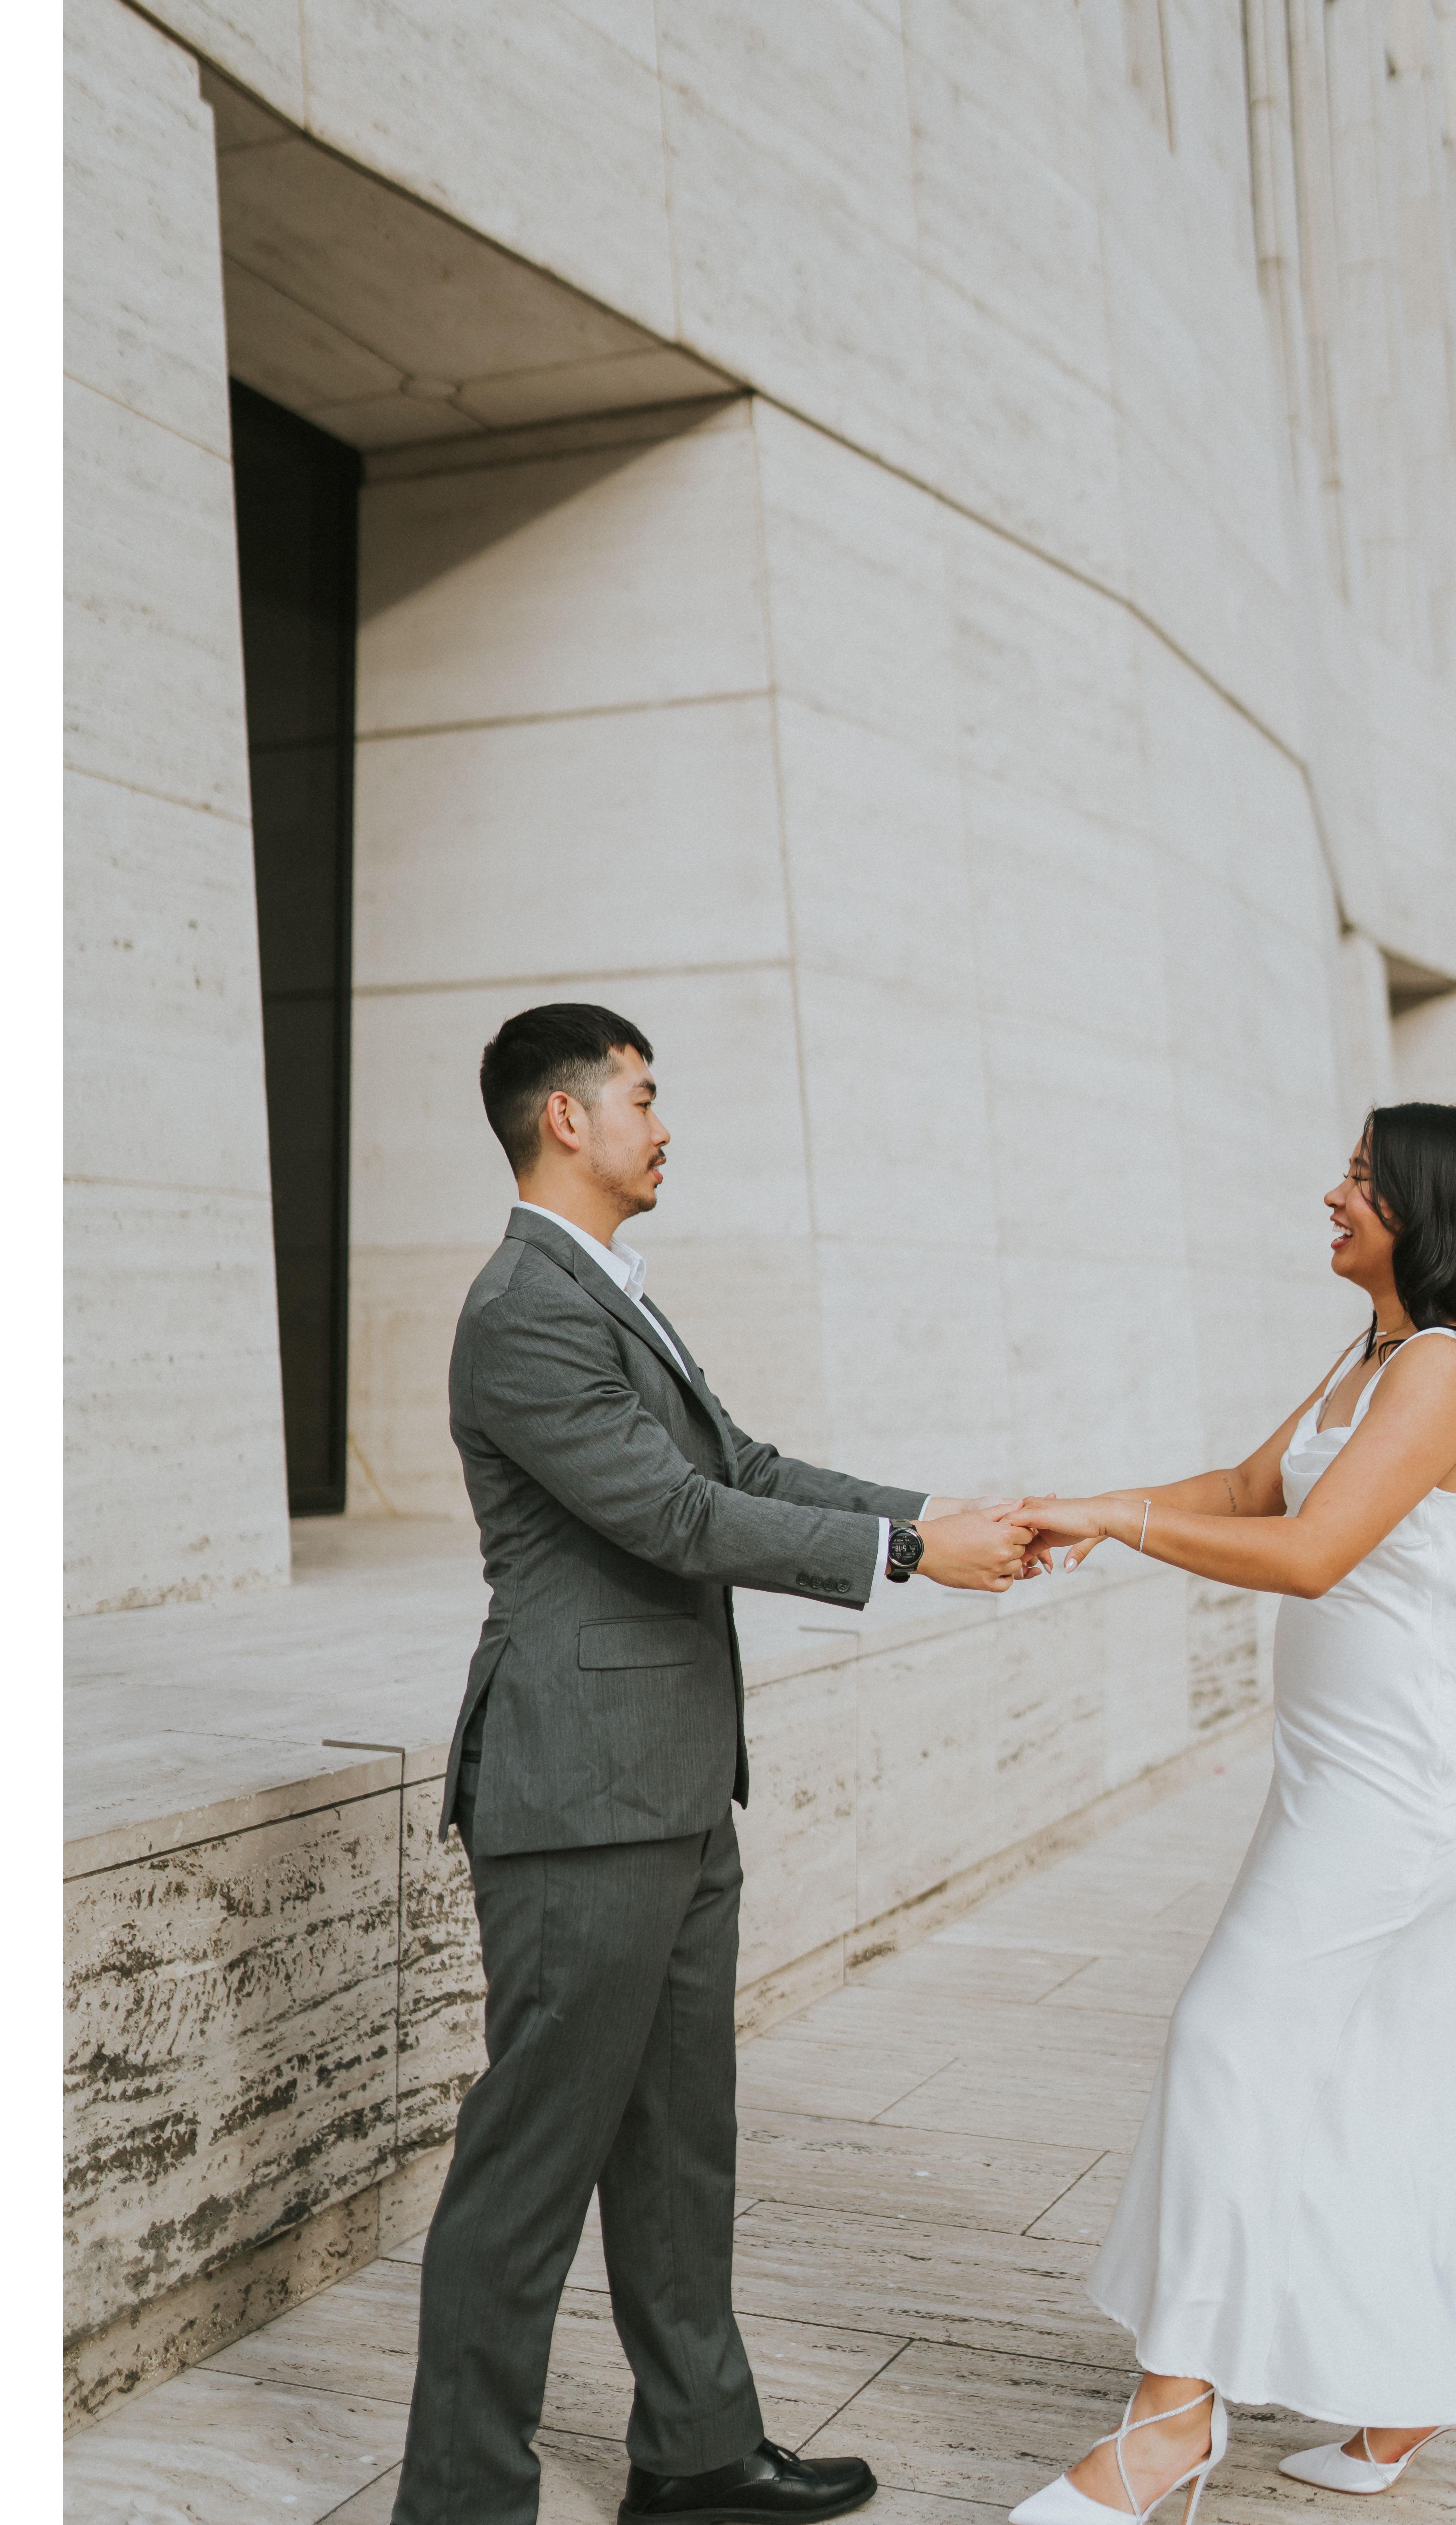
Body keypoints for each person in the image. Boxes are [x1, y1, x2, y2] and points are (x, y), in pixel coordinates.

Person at [394, 1003, 1037, 2525]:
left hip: (674, 1783)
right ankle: (459, 2500)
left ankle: (693, 2450)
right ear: (566, 1117)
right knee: (531, 2162)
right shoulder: (521, 1309)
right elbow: (669, 1516)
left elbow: (735, 1469)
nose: (663, 1123)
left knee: (682, 2143)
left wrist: (936, 1515)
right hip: (579, 1791)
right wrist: (900, 1553)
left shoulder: (608, 1289)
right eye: (642, 1095)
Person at [1004, 1105, 1456, 2521]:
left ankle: (1168, 2417)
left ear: (1425, 1208)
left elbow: (1309, 1551)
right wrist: (1086, 1502)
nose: (1330, 1194)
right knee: (1379, 2070)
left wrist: (1116, 1528)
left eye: (1360, 1177)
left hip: (1407, 1781)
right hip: (1342, 1772)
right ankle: (1414, 2385)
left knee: (1224, 2032)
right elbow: (1242, 1486)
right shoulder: (1375, 1355)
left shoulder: (1446, 1374)